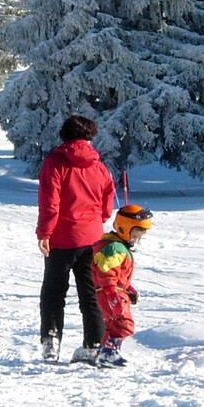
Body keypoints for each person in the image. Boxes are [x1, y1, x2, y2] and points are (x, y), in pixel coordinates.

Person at [36, 114, 116, 363]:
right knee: (90, 294)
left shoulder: (55, 162)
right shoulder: (98, 165)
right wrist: (96, 220)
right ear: (89, 137)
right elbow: (107, 200)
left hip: (61, 238)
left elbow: (51, 202)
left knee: (53, 292)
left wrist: (44, 233)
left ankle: (51, 342)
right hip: (92, 237)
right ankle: (93, 344)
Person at [91, 204, 152, 367]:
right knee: (125, 324)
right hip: (109, 293)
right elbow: (107, 273)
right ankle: (109, 353)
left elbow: (119, 276)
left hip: (115, 291)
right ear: (123, 228)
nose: (136, 240)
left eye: (139, 237)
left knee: (113, 324)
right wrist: (112, 294)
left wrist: (129, 289)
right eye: (134, 235)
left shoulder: (118, 247)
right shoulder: (113, 248)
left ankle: (105, 351)